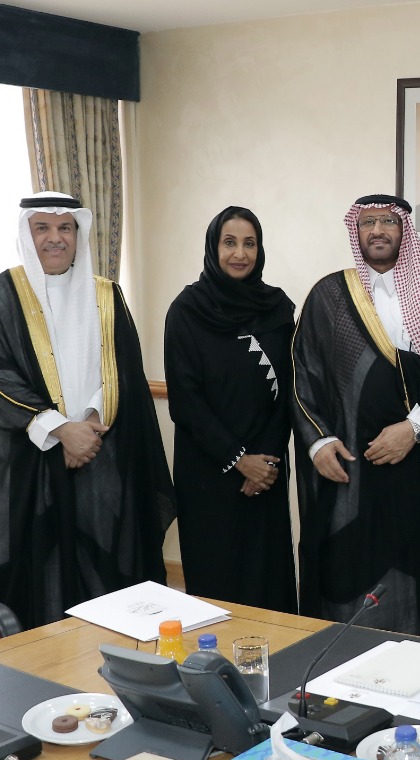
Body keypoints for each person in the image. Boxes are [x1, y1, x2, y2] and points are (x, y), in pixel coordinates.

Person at [0, 192, 175, 628]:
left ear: (79, 234)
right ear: (26, 234)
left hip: (104, 456)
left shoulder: (107, 295)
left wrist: (92, 422)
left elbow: (125, 370)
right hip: (34, 464)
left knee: (112, 569)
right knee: (44, 576)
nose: (55, 238)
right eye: (42, 228)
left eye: (65, 228)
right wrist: (61, 430)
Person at [291, 194, 420, 633]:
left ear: (405, 230)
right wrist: (318, 442)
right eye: (368, 223)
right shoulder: (329, 296)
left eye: (387, 222)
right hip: (352, 465)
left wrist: (414, 428)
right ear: (356, 232)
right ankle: (343, 655)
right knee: (348, 566)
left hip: (419, 460)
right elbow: (303, 373)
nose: (378, 231)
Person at [164, 206, 297, 613]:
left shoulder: (277, 308)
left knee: (268, 581)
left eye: (249, 243)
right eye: (229, 243)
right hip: (210, 473)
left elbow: (290, 390)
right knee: (216, 587)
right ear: (213, 247)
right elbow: (186, 401)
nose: (240, 253)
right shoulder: (187, 310)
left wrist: (265, 462)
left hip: (267, 472)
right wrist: (240, 460)